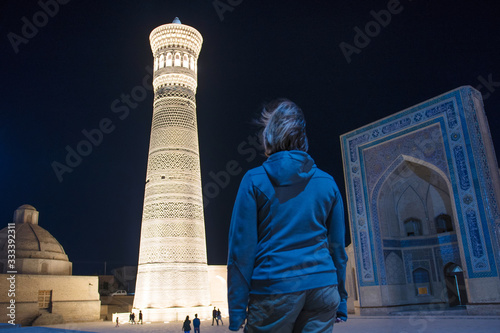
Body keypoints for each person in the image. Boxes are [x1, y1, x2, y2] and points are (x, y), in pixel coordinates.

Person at [227, 99, 348, 332]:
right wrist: (341, 300)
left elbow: (241, 252)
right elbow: (337, 250)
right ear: (302, 137)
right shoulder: (327, 183)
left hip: (274, 288)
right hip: (322, 288)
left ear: (269, 137)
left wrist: (237, 310)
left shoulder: (254, 180)